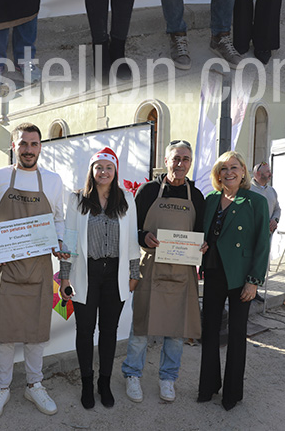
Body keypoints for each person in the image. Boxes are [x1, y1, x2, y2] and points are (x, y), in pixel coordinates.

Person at [0, 123, 65, 420]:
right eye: (23, 144)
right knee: (4, 334)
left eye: (34, 144)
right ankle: (2, 388)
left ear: (41, 146)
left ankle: (34, 384)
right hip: (6, 266)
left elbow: (58, 219)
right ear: (13, 146)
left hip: (40, 267)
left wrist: (61, 242)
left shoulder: (53, 181)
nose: (29, 149)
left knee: (36, 332)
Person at [122, 140, 205, 404]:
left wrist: (204, 245)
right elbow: (130, 230)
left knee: (176, 331)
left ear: (190, 163)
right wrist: (142, 236)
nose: (180, 164)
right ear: (166, 161)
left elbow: (202, 233)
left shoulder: (197, 195)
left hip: (182, 273)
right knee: (141, 328)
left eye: (185, 160)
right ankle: (132, 375)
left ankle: (168, 378)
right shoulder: (148, 191)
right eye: (176, 159)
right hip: (151, 269)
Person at [60, 147, 139, 409]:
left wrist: (133, 274)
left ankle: (104, 383)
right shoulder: (78, 200)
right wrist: (65, 277)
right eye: (98, 167)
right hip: (87, 273)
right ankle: (86, 383)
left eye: (108, 167)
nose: (103, 172)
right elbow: (70, 238)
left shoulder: (126, 198)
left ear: (115, 171)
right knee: (84, 332)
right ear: (91, 171)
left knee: (109, 331)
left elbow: (132, 241)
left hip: (114, 274)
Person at [198, 150, 270, 411]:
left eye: (234, 167)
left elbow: (262, 243)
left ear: (243, 172)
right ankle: (208, 385)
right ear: (218, 174)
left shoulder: (255, 202)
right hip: (214, 272)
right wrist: (201, 247)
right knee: (209, 331)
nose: (229, 172)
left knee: (237, 334)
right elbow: (205, 234)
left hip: (241, 276)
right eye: (223, 169)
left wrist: (254, 280)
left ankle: (232, 393)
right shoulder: (210, 199)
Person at [250, 161, 281, 233]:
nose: (271, 174)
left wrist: (275, 220)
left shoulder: (272, 191)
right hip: (251, 234)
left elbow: (277, 209)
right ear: (258, 174)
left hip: (268, 234)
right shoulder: (248, 189)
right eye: (268, 172)